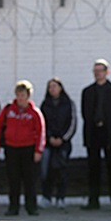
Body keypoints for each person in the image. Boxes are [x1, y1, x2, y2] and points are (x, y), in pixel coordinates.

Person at [0, 80, 45, 216]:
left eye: (23, 95)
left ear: (28, 96)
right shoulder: (8, 109)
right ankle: (13, 207)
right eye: (18, 95)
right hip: (11, 148)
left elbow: (41, 132)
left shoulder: (34, 112)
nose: (20, 98)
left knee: (29, 180)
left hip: (28, 148)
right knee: (13, 179)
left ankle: (31, 207)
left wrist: (39, 151)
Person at [81, 59, 111, 212]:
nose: (97, 73)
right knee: (93, 169)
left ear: (106, 72)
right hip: (93, 133)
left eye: (100, 70)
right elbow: (84, 113)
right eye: (95, 71)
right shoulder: (87, 91)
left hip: (110, 134)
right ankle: (93, 201)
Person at [39, 78, 76, 210]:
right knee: (46, 169)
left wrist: (63, 138)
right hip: (48, 143)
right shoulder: (45, 105)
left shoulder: (69, 104)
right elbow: (42, 124)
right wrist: (49, 138)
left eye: (54, 86)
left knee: (62, 170)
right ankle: (46, 196)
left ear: (61, 87)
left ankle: (61, 197)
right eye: (50, 87)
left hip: (63, 143)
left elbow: (72, 123)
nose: (52, 89)